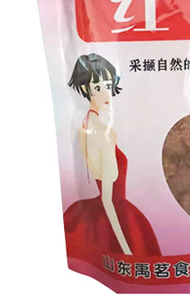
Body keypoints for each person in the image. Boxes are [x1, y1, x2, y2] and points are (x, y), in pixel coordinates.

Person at [63, 54, 161, 266]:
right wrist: (126, 249)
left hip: (105, 211)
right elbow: (108, 199)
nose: (106, 93)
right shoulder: (100, 132)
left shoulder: (87, 125)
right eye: (97, 87)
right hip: (116, 214)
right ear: (85, 89)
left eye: (108, 85)